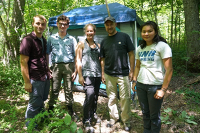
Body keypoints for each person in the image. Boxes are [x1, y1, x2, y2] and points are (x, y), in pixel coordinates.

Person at [132, 21, 173, 133]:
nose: (146, 33)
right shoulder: (140, 48)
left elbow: (169, 69)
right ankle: (146, 130)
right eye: (144, 31)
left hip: (155, 86)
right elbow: (137, 66)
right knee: (145, 112)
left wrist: (163, 89)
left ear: (155, 32)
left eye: (150, 31)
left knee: (154, 115)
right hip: (141, 85)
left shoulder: (162, 46)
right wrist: (134, 80)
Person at [100, 16, 135, 131]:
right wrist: (102, 73)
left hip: (123, 74)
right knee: (111, 98)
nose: (109, 26)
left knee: (125, 98)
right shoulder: (104, 41)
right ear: (105, 26)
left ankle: (126, 121)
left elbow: (131, 54)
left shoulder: (124, 37)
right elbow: (102, 59)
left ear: (115, 24)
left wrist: (132, 70)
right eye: (107, 25)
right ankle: (113, 118)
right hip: (109, 74)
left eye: (111, 24)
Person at [20, 15, 50, 128]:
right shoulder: (27, 40)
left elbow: (43, 57)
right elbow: (23, 62)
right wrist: (27, 82)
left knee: (42, 99)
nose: (40, 26)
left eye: (42, 24)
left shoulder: (43, 40)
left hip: (44, 76)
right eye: (38, 23)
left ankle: (41, 117)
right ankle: (31, 126)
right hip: (35, 78)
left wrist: (48, 71)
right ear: (33, 24)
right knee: (34, 104)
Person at [46, 15, 77, 116]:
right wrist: (47, 67)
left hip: (69, 66)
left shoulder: (72, 39)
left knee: (68, 89)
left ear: (68, 26)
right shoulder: (51, 38)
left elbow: (76, 55)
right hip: (55, 67)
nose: (62, 26)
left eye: (65, 24)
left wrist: (75, 70)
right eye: (60, 24)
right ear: (57, 24)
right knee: (54, 89)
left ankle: (70, 109)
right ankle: (50, 109)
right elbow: (47, 53)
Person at [76, 23, 101, 132]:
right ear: (85, 32)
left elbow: (101, 61)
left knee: (95, 96)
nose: (90, 33)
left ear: (94, 32)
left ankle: (93, 113)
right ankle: (86, 119)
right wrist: (80, 75)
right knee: (89, 95)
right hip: (87, 75)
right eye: (88, 31)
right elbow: (78, 60)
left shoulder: (98, 45)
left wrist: (103, 74)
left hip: (97, 75)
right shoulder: (81, 44)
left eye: (92, 31)